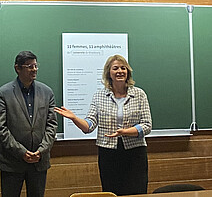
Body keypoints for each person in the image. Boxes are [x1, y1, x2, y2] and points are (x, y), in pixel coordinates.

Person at [55, 54, 152, 196]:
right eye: (115, 68)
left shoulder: (139, 94)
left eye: (123, 68)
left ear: (128, 72)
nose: (120, 71)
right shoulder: (99, 96)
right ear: (109, 73)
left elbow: (147, 125)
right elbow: (89, 125)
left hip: (135, 153)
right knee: (111, 192)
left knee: (136, 192)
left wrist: (125, 132)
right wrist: (74, 118)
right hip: (108, 153)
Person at [0, 51, 58, 197]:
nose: (34, 69)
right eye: (29, 66)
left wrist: (42, 150)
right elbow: (0, 127)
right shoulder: (4, 93)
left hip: (39, 161)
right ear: (18, 68)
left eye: (36, 66)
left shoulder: (47, 92)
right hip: (12, 162)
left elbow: (52, 125)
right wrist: (21, 152)